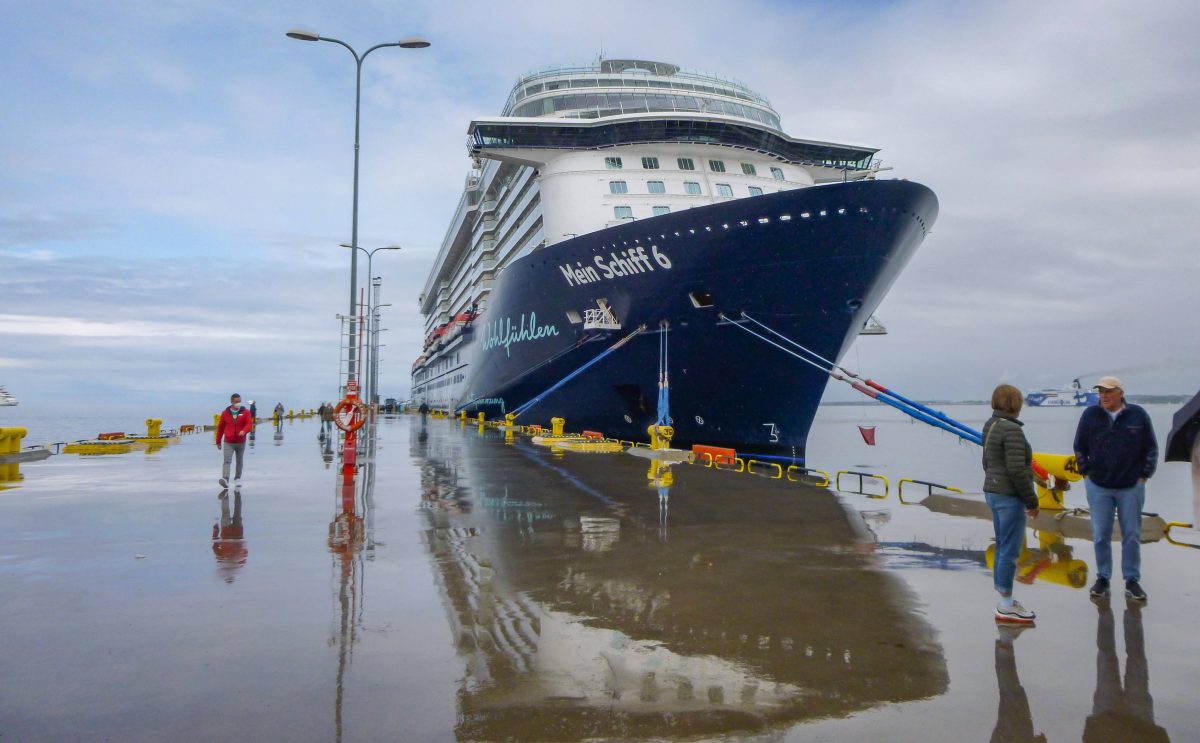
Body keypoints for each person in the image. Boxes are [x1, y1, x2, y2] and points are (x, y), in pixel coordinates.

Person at [1074, 375, 1158, 602]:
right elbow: (1079, 446)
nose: (1104, 395)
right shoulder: (1090, 415)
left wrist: (1144, 476)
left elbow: (1150, 447)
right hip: (1098, 485)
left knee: (1131, 534)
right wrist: (1086, 473)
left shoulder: (1138, 415)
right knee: (1101, 534)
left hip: (1131, 486)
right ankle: (1103, 577)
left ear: (1121, 392)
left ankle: (1132, 580)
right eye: (1101, 391)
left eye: (1109, 391)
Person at [981, 384, 1041, 623]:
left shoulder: (991, 425)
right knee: (1010, 549)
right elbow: (1017, 470)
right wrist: (1032, 500)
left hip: (992, 491)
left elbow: (987, 460)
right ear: (1016, 404)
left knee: (1002, 545)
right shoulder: (1013, 431)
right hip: (1008, 496)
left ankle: (1002, 595)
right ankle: (1006, 604)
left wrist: (993, 481)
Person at [216, 393, 254, 488]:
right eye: (236, 401)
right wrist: (218, 441)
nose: (238, 403)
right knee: (227, 461)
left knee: (239, 460)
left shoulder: (245, 412)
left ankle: (237, 478)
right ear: (232, 402)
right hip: (228, 442)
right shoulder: (225, 413)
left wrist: (244, 431)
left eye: (239, 401)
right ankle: (225, 479)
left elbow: (249, 424)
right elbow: (220, 428)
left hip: (241, 442)